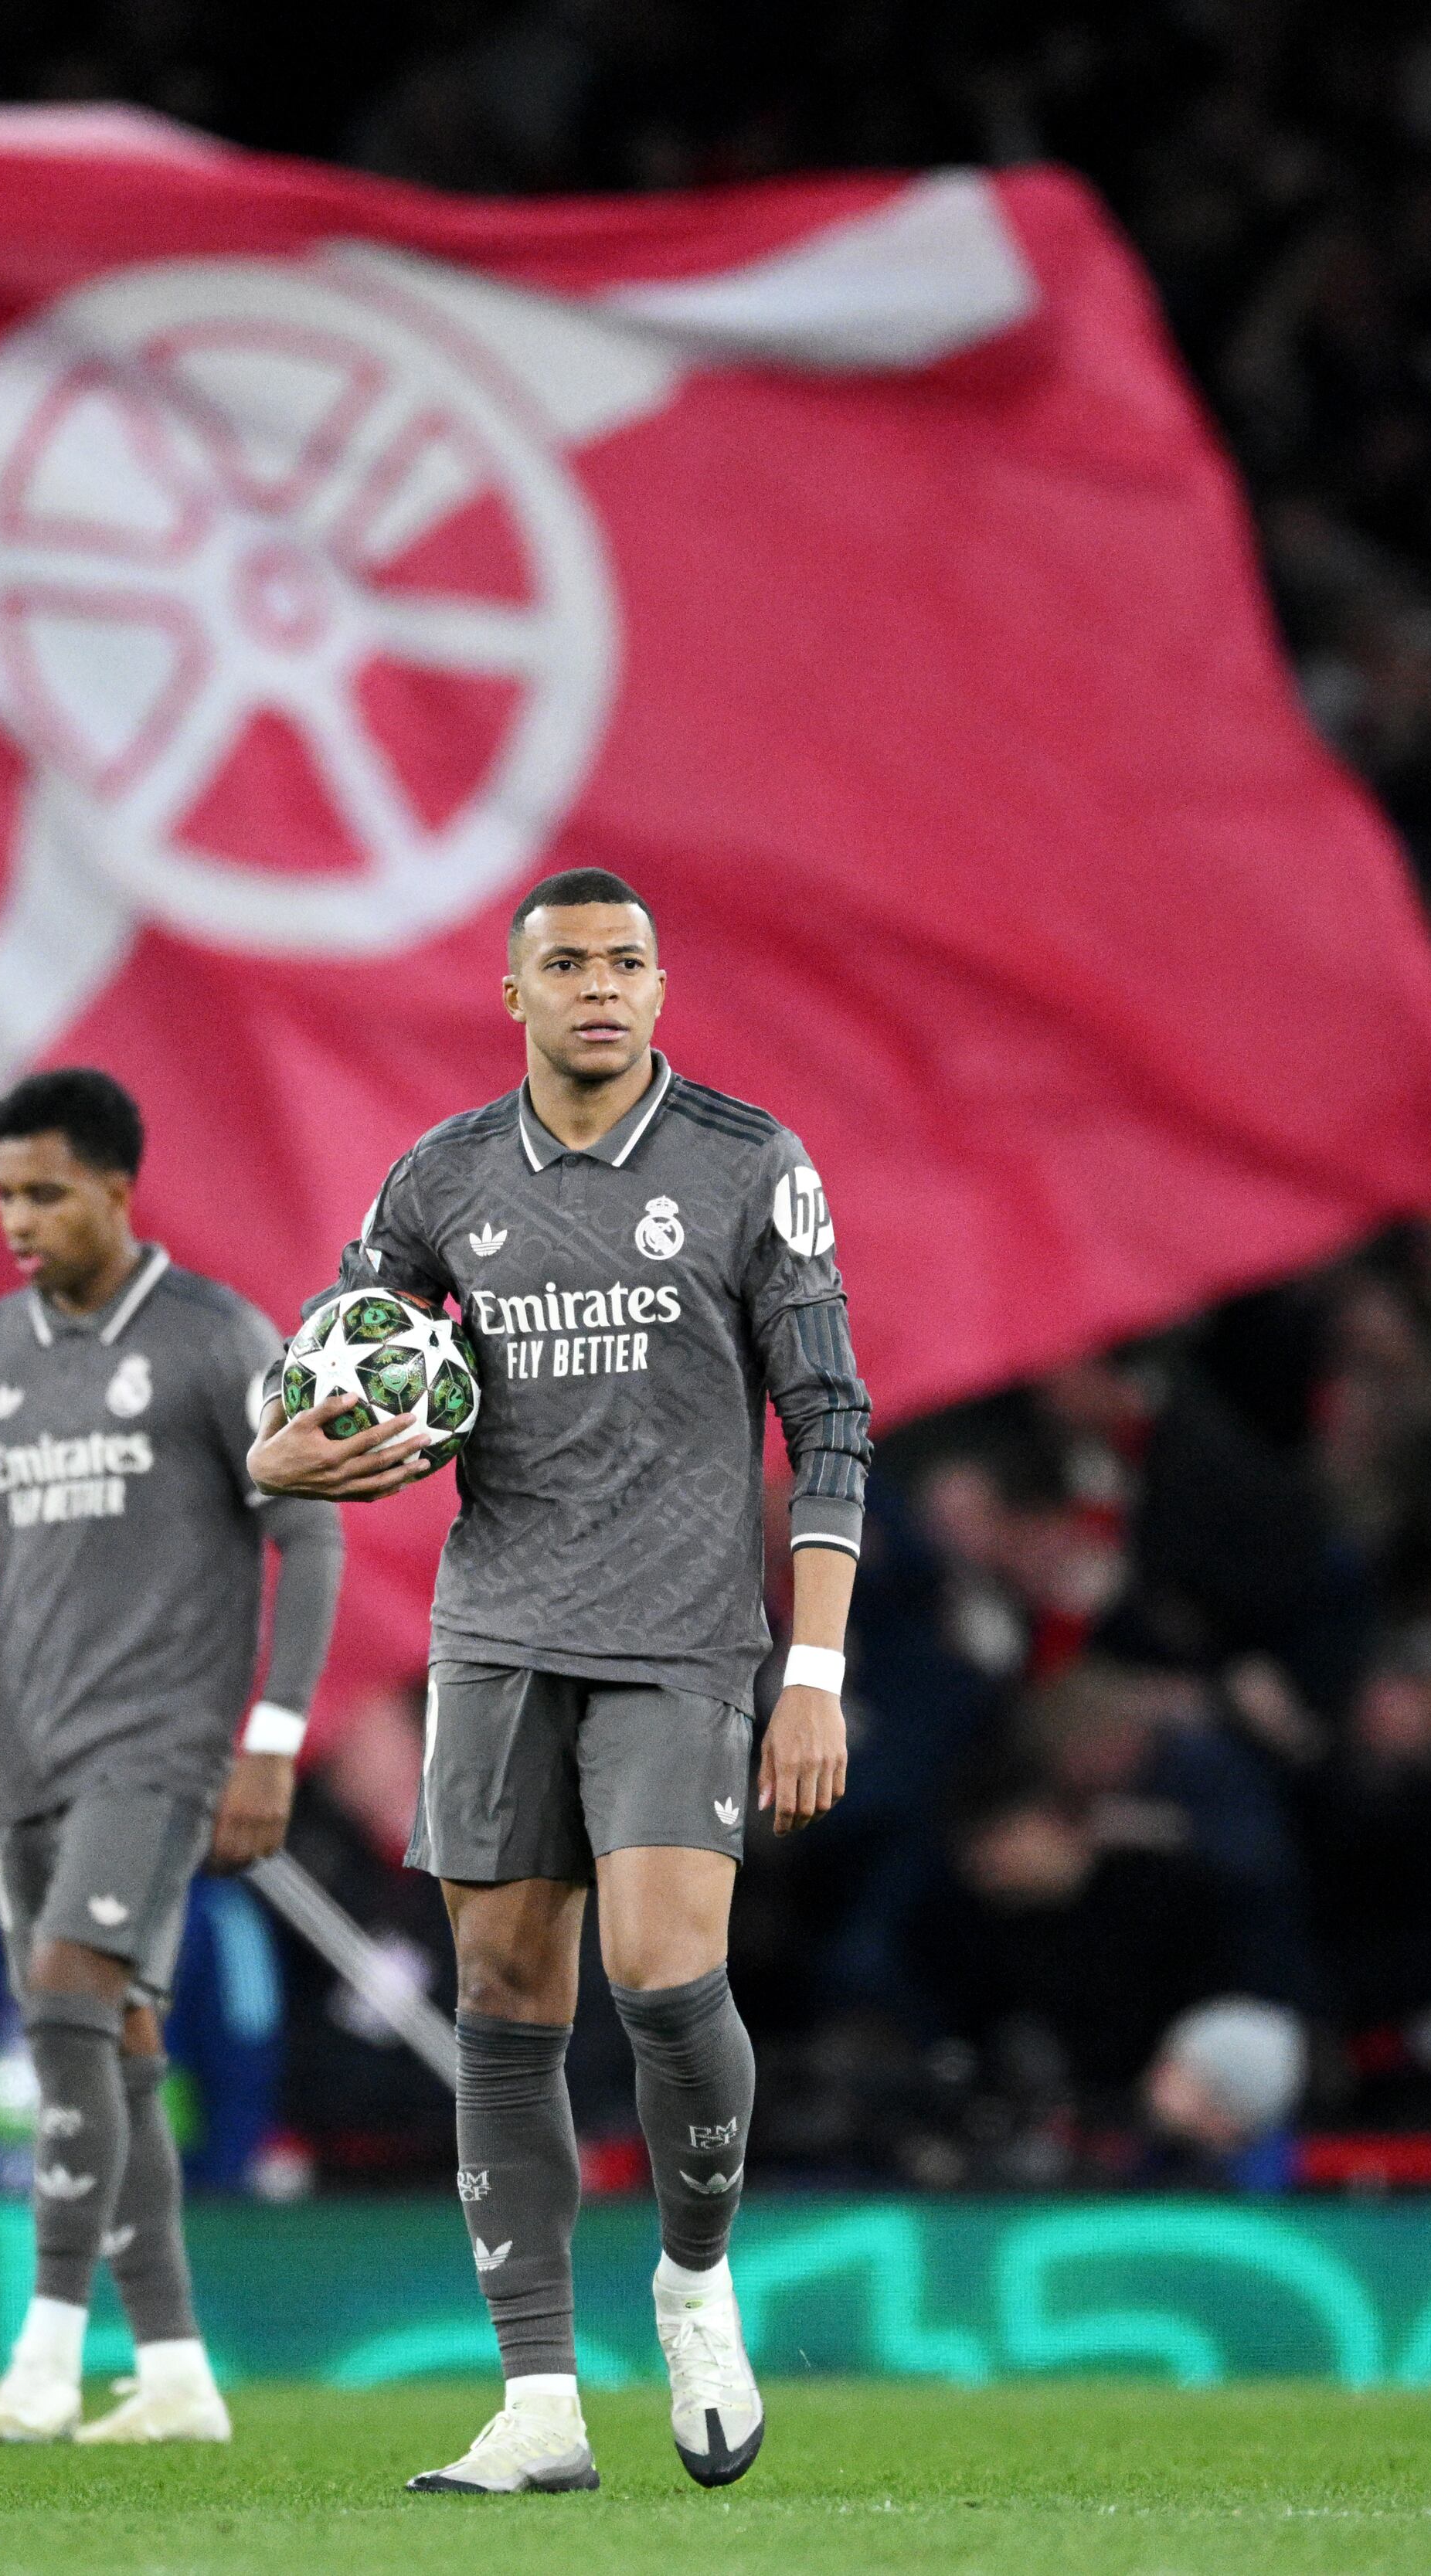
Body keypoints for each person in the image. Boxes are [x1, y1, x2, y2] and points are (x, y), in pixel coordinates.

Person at [252, 866, 868, 2496]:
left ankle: (694, 2275)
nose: (601, 985)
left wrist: (813, 1668)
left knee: (664, 1978)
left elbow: (830, 1418)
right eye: (569, 963)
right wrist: (281, 1445)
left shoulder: (750, 1162)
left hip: (681, 1637)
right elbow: (333, 1350)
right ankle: (537, 2401)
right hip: (499, 1635)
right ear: (513, 994)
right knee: (505, 2008)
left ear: (661, 988)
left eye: (627, 961)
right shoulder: (442, 1175)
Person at [0, 1068, 341, 2447]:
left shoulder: (214, 1337)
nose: (18, 1218)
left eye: (45, 1191)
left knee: (62, 2007)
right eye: (3, 1193)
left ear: (118, 1188)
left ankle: (46, 2350)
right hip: (27, 1755)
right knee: (114, 2046)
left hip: (160, 1747)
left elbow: (307, 1530)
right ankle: (174, 2370)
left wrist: (272, 1739)